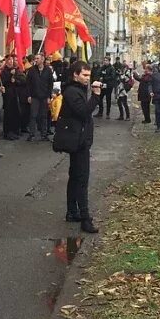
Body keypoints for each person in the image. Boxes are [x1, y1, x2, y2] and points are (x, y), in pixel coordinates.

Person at [60, 61, 102, 234]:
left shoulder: (76, 89)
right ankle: (85, 218)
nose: (87, 78)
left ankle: (72, 211)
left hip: (79, 139)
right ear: (75, 75)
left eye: (88, 75)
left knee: (75, 176)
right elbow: (84, 111)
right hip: (78, 141)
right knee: (81, 178)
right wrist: (96, 96)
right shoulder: (71, 91)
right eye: (84, 75)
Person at [26, 53, 54, 141]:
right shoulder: (31, 70)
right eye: (35, 58)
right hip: (34, 96)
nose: (36, 60)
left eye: (37, 58)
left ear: (42, 60)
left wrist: (49, 96)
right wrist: (29, 95)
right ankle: (32, 134)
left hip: (44, 96)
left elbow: (50, 84)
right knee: (33, 116)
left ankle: (44, 134)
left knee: (44, 116)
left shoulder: (48, 70)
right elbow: (28, 84)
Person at [0, 55, 22, 140]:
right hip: (7, 95)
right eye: (9, 60)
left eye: (12, 60)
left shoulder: (15, 70)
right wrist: (10, 76)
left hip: (15, 94)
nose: (11, 61)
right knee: (8, 114)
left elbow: (21, 80)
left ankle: (14, 131)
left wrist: (15, 80)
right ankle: (7, 132)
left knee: (15, 113)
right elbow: (3, 81)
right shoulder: (4, 71)